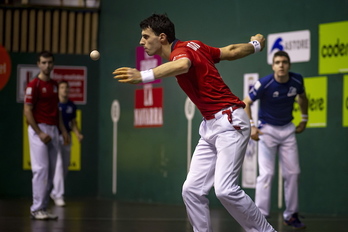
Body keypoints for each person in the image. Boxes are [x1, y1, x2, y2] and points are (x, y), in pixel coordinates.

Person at [113, 14, 277, 232]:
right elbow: (230, 52)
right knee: (191, 190)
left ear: (162, 37)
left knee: (225, 190)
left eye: (145, 36)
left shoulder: (180, 53)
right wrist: (255, 45)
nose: (141, 42)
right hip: (210, 126)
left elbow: (183, 64)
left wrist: (143, 76)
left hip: (230, 122)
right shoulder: (195, 45)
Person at [243, 51, 308, 229]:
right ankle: (261, 215)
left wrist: (304, 118)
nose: (281, 65)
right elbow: (246, 102)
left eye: (284, 62)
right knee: (267, 174)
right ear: (273, 66)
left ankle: (291, 215)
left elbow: (303, 98)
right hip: (267, 131)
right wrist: (252, 126)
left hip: (288, 129)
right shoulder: (265, 83)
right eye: (277, 62)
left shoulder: (297, 80)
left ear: (289, 65)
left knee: (293, 173)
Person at [24, 51, 69, 220]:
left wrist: (63, 130)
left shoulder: (55, 85)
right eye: (43, 62)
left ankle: (43, 207)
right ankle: (36, 209)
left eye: (50, 62)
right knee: (41, 170)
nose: (47, 65)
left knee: (50, 172)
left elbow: (56, 111)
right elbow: (27, 111)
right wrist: (39, 132)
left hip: (53, 130)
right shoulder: (33, 85)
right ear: (38, 64)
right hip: (38, 131)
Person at [50, 80, 83, 207]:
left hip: (67, 138)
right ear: (58, 90)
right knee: (58, 165)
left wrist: (78, 134)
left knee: (64, 166)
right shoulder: (54, 104)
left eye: (66, 88)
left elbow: (73, 123)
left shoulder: (71, 105)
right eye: (62, 87)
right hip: (55, 136)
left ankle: (54, 191)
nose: (65, 90)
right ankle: (59, 195)